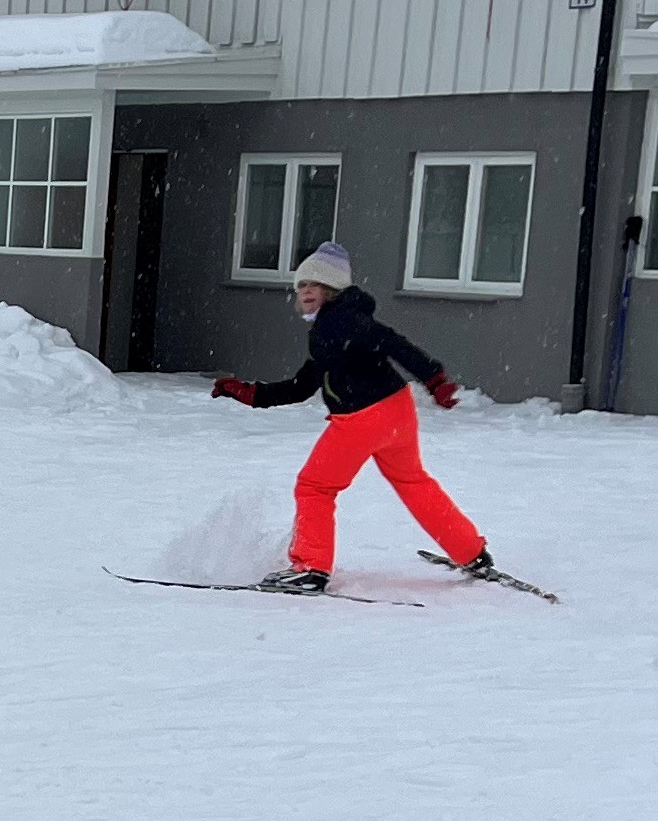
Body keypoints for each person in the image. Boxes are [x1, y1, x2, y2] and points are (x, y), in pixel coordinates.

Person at [210, 241, 496, 593]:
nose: (307, 291)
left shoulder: (340, 321)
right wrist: (249, 393)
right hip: (396, 411)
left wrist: (433, 376)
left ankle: (311, 567)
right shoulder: (336, 326)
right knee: (413, 482)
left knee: (314, 486)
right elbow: (303, 386)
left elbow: (390, 340)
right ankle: (471, 552)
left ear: (332, 289)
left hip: (364, 417)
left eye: (316, 285)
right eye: (301, 285)